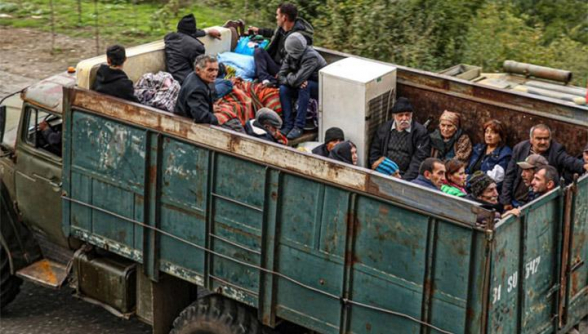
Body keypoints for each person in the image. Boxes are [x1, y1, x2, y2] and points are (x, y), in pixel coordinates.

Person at [501, 124, 586, 210]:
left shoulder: (556, 150)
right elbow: (509, 176)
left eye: (546, 138)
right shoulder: (520, 148)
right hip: (516, 199)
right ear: (531, 139)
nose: (543, 142)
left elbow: (569, 161)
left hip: (537, 201)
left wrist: (583, 166)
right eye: (539, 138)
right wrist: (506, 202)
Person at [249, 3, 314, 86]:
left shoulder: (299, 37)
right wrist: (259, 31)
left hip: (286, 71)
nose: (276, 17)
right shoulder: (282, 29)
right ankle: (265, 79)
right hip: (274, 64)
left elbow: (303, 60)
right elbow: (274, 33)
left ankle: (269, 80)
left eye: (277, 15)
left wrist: (292, 76)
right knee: (258, 51)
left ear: (284, 18)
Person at [278, 32, 327, 140]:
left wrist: (290, 76)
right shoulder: (290, 54)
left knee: (305, 86)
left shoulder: (311, 57)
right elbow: (281, 75)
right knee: (283, 89)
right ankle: (288, 124)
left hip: (320, 87)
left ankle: (299, 126)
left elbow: (296, 81)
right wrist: (292, 77)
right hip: (300, 81)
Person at [368, 97, 430, 181]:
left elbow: (419, 160)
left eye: (407, 115)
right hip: (385, 174)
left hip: (408, 177)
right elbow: (374, 155)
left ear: (411, 115)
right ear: (394, 116)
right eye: (400, 115)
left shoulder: (420, 132)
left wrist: (404, 181)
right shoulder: (383, 129)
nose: (404, 118)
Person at [164, 14, 221, 84]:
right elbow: (200, 71)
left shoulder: (169, 38)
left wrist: (208, 31)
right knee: (226, 82)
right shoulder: (197, 47)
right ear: (193, 31)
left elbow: (190, 33)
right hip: (187, 82)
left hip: (172, 79)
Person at [174, 55, 220, 124]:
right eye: (210, 70)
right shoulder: (197, 89)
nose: (214, 74)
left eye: (216, 70)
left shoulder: (194, 76)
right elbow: (202, 117)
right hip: (185, 124)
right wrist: (218, 119)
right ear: (198, 70)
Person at [467, 119, 512, 189]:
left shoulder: (505, 154)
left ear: (500, 137)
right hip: (468, 184)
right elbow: (468, 168)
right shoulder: (479, 148)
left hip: (486, 189)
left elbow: (495, 177)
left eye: (493, 133)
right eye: (487, 132)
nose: (488, 135)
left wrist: (469, 178)